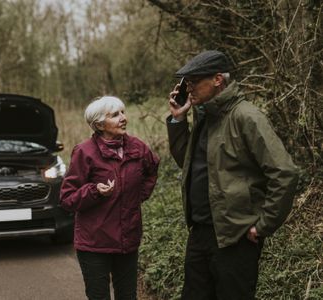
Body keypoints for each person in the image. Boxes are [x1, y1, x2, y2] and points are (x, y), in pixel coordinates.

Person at [166, 50, 299, 299]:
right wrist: (178, 120)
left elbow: (285, 173)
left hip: (235, 237)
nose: (189, 88)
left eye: (194, 81)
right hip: (201, 233)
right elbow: (188, 163)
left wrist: (262, 225)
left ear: (218, 80)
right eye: (187, 83)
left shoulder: (246, 116)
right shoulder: (206, 116)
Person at [60, 96, 159, 300]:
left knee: (127, 296)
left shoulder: (137, 148)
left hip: (127, 239)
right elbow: (67, 199)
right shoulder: (84, 152)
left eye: (123, 112)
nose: (123, 118)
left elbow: (152, 169)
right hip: (94, 243)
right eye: (115, 115)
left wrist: (138, 195)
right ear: (98, 124)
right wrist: (95, 191)